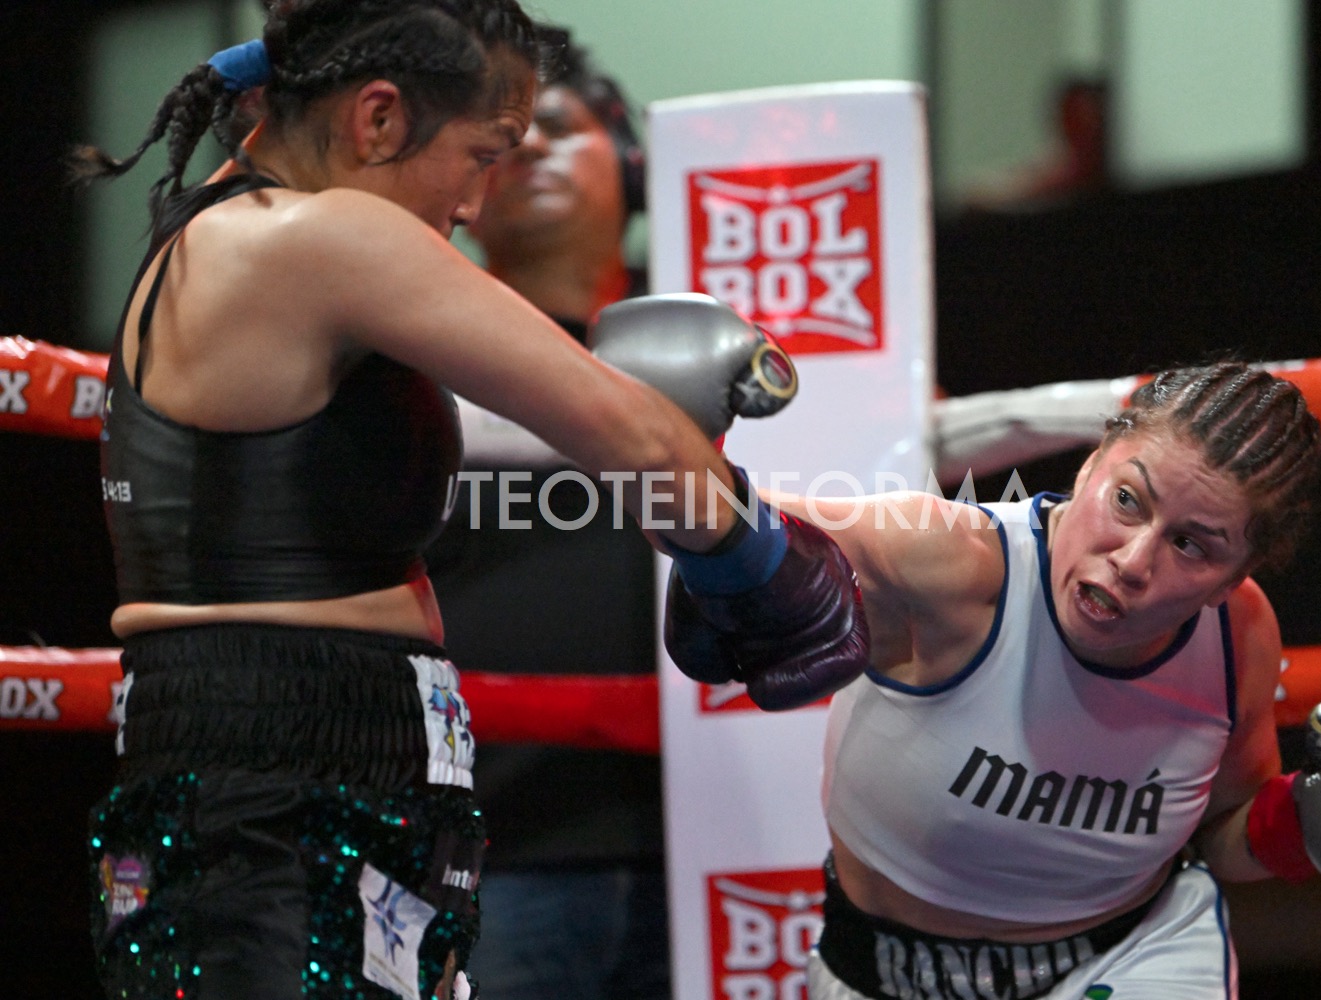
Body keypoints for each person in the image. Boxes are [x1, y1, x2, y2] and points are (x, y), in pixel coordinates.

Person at [71, 3, 844, 998]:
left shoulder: (224, 231)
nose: (479, 203)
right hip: (278, 792)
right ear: (379, 118)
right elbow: (630, 431)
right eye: (484, 153)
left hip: (293, 772)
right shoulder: (317, 236)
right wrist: (769, 571)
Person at [655, 362, 1321, 999]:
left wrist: (1302, 826)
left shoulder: (1237, 630)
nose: (1134, 560)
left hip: (1128, 961)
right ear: (1092, 463)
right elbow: (722, 513)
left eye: (1192, 545)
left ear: (1233, 577)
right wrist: (692, 459)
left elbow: (1223, 828)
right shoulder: (953, 564)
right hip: (881, 972)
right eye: (1128, 501)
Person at [422, 28, 670, 1000]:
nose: (529, 154)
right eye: (502, 141)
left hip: (717, 836)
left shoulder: (729, 351)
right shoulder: (410, 350)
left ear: (631, 162)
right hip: (489, 844)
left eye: (558, 128)